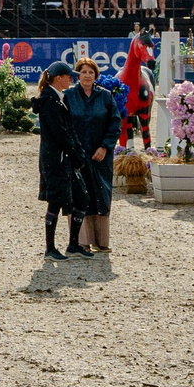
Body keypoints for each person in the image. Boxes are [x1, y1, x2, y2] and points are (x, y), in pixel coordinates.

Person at [66, 56, 119, 255]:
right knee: (79, 195)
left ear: (96, 75)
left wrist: (105, 147)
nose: (87, 76)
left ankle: (101, 241)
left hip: (100, 156)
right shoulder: (69, 96)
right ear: (77, 75)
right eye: (83, 72)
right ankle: (81, 241)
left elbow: (115, 123)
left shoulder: (105, 96)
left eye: (91, 72)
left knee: (101, 195)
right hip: (77, 155)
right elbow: (65, 126)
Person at [36, 63, 85, 259]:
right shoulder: (49, 101)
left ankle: (73, 244)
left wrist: (77, 151)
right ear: (58, 78)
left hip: (65, 157)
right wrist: (75, 154)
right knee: (55, 201)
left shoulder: (60, 99)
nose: (71, 80)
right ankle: (50, 248)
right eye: (68, 77)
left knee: (82, 197)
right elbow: (60, 134)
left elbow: (69, 130)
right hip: (56, 159)